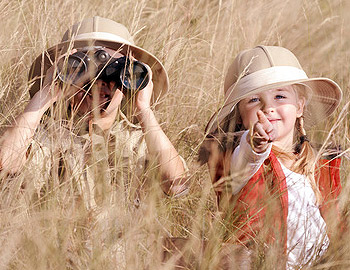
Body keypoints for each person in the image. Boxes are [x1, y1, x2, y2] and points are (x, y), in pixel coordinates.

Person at [0, 16, 188, 209]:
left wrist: (143, 109)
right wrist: (47, 94)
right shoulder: (41, 138)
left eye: (114, 72)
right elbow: (5, 163)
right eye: (81, 71)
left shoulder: (137, 141)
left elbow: (176, 185)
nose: (99, 84)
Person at [199, 45, 344, 269]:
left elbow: (337, 225)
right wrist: (255, 142)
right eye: (254, 100)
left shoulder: (320, 164)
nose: (268, 108)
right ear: (240, 116)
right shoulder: (242, 163)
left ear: (300, 106)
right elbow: (247, 158)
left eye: (280, 96)